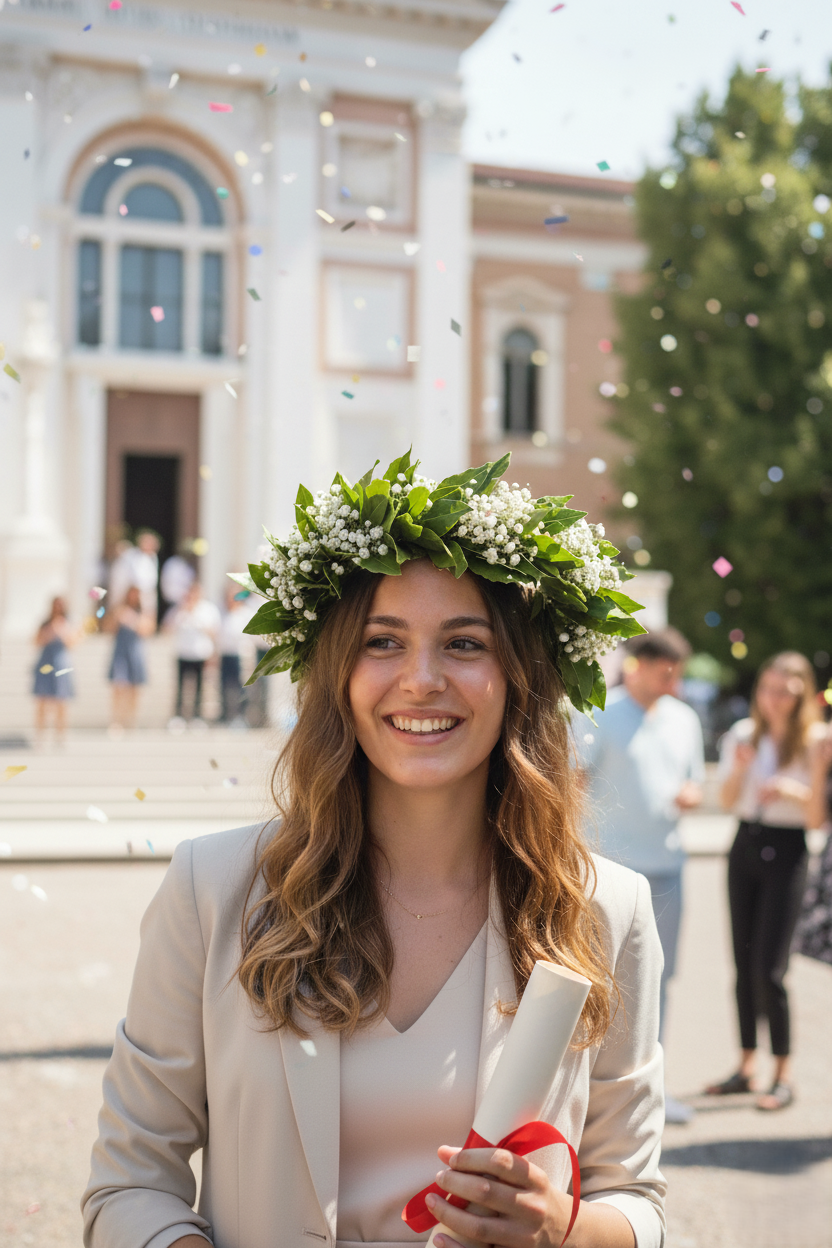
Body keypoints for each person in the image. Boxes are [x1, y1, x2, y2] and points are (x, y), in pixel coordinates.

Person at [83, 453, 666, 1248]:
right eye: (382, 642)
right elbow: (129, 1181)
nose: (420, 680)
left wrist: (562, 1227)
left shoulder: (604, 909)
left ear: (520, 677)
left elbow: (635, 1197)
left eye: (464, 644)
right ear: (336, 673)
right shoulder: (211, 888)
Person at [576, 628, 704, 1125]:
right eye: (664, 670)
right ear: (639, 665)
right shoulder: (602, 713)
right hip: (610, 872)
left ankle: (650, 1093)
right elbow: (577, 780)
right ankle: (589, 1096)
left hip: (667, 868)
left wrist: (692, 794)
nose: (672, 680)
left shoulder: (686, 719)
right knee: (599, 982)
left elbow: (692, 778)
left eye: (677, 671)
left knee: (659, 981)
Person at [705, 652, 827, 1110]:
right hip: (745, 843)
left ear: (800, 695)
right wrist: (738, 767)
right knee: (741, 963)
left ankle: (783, 1073)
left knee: (770, 972)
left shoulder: (815, 739)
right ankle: (746, 1065)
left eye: (784, 692)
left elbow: (817, 819)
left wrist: (798, 788)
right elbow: (729, 799)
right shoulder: (743, 734)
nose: (773, 700)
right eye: (767, 689)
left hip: (789, 848)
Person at [164, 581, 220, 728]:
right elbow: (166, 628)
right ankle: (178, 716)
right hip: (183, 653)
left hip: (200, 654)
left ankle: (197, 716)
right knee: (181, 687)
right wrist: (182, 613)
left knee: (199, 688)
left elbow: (214, 632)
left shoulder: (208, 609)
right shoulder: (178, 610)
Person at [105, 585, 155, 732]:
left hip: (135, 651)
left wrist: (133, 620)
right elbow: (108, 628)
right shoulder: (119, 610)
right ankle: (116, 721)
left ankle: (131, 721)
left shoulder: (143, 613)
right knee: (118, 686)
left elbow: (148, 630)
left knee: (134, 688)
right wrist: (118, 617)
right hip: (120, 651)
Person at [32, 596, 77, 745]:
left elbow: (72, 643)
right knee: (42, 701)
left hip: (61, 664)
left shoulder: (68, 623)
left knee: (61, 701)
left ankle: (60, 735)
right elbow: (36, 641)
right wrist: (49, 632)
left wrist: (61, 631)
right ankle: (40, 734)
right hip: (45, 662)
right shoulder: (45, 623)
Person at [217, 583, 254, 724]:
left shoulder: (245, 614)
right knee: (224, 686)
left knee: (241, 688)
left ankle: (241, 716)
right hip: (225, 654)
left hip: (240, 655)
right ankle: (225, 715)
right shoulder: (222, 613)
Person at [110, 531, 161, 621]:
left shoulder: (153, 558)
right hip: (132, 590)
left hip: (146, 592)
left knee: (147, 614)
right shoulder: (131, 555)